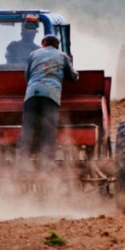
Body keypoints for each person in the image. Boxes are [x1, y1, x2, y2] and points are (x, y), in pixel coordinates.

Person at [16, 34, 79, 173]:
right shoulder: (63, 56)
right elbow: (73, 76)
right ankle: (46, 166)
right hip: (50, 96)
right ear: (57, 45)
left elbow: (27, 76)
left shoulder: (33, 54)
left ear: (43, 43)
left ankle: (21, 165)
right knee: (48, 130)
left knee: (27, 130)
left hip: (31, 95)